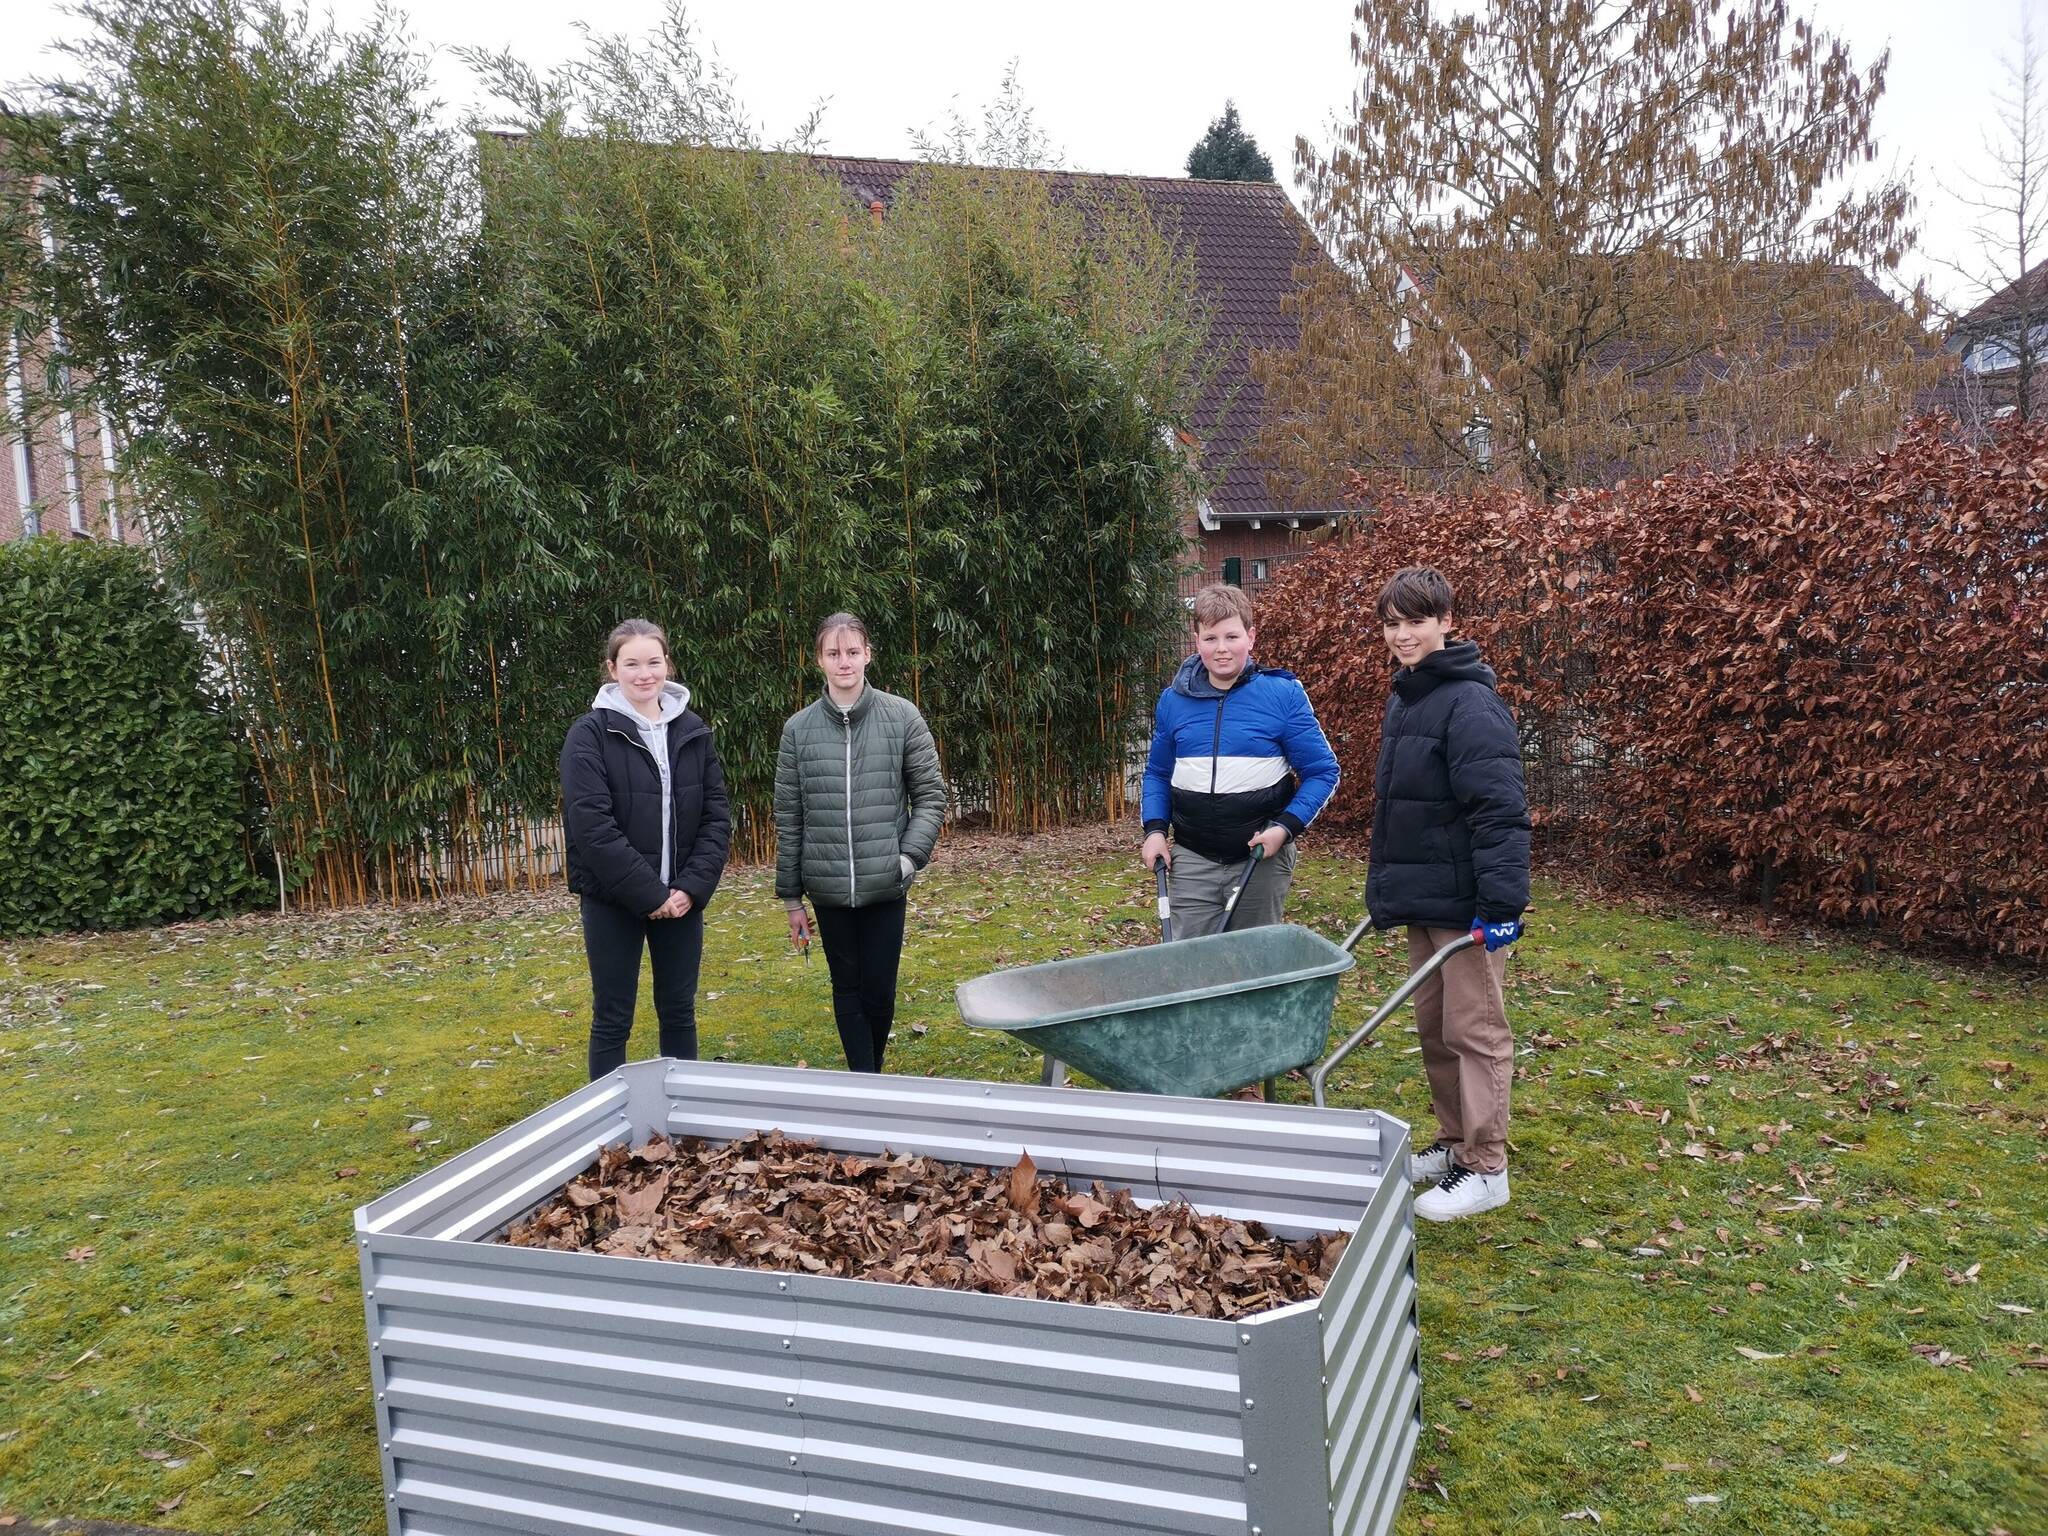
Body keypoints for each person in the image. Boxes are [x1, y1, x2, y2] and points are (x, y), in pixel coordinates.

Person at [1365, 566, 1531, 1221]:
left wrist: (1501, 909)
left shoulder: (1470, 702)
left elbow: (1499, 809)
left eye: (1416, 621)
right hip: (1425, 897)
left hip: (1469, 906)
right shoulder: (1408, 696)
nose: (1403, 635)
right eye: (1393, 623)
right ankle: (1457, 1144)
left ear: (1446, 622)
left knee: (1476, 1031)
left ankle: (1488, 1167)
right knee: (1435, 1029)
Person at [776, 612, 948, 1074]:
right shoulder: (798, 730)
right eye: (834, 653)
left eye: (853, 652)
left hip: (884, 882)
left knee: (879, 989)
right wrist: (792, 896)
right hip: (828, 885)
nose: (844, 662)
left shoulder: (902, 716)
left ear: (868, 655)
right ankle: (866, 1081)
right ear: (819, 661)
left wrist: (908, 858)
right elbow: (789, 816)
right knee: (845, 986)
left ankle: (871, 1075)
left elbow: (931, 795)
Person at [560, 619, 732, 1080]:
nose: (644, 673)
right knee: (613, 1016)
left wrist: (688, 889)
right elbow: (592, 827)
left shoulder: (692, 730)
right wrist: (649, 895)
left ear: (667, 665)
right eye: (631, 663)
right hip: (612, 900)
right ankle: (609, 1129)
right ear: (612, 668)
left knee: (678, 1011)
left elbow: (717, 817)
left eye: (653, 662)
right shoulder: (589, 735)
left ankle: (684, 1118)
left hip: (681, 900)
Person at [1140, 582, 1341, 938]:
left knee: (1253, 964)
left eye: (1231, 637)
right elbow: (1157, 773)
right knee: (1191, 965)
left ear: (1251, 637)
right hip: (1192, 857)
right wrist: (1155, 831)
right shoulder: (1173, 701)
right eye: (1210, 638)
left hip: (1258, 858)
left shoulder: (1282, 694)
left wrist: (1283, 828)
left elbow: (1322, 772)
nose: (1221, 649)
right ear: (1196, 639)